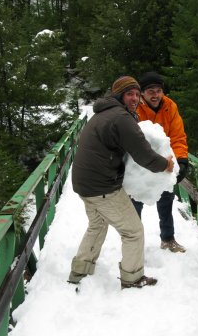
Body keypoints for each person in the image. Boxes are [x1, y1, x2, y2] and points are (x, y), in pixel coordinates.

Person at [68, 75, 174, 289]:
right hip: (101, 186)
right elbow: (143, 155)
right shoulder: (120, 117)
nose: (134, 98)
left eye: (137, 94)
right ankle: (132, 278)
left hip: (84, 183)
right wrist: (166, 165)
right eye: (129, 93)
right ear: (118, 95)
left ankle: (80, 271)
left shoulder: (103, 114)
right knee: (133, 231)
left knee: (97, 225)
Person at [133, 71, 188, 253]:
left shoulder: (170, 106)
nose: (155, 95)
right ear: (142, 93)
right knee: (136, 202)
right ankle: (135, 243)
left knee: (166, 200)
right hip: (139, 162)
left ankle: (168, 238)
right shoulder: (134, 108)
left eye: (158, 90)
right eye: (150, 91)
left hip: (165, 161)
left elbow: (178, 136)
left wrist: (182, 159)